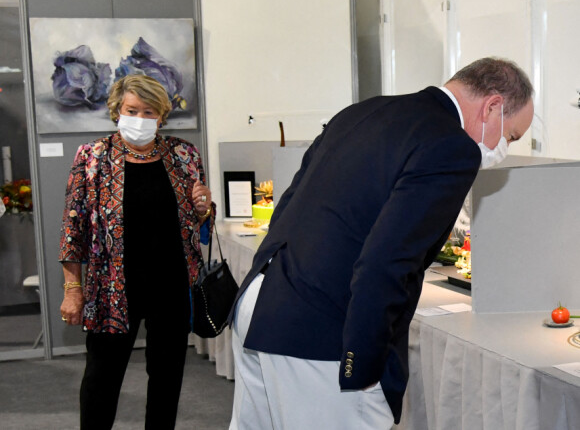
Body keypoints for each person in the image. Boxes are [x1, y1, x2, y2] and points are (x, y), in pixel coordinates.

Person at [229, 57, 534, 430]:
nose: (503, 146)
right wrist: (363, 362)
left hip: (261, 303)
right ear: (492, 107)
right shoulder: (452, 146)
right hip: (322, 330)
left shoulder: (362, 112)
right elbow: (388, 260)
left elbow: (288, 207)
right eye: (511, 135)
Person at [59, 74, 214, 430]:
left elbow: (201, 221)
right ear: (117, 111)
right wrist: (73, 289)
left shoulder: (183, 154)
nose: (140, 119)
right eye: (132, 110)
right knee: (101, 378)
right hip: (112, 289)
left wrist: (204, 207)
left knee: (167, 377)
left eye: (149, 111)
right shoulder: (92, 157)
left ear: (162, 115)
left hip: (172, 285)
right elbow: (73, 228)